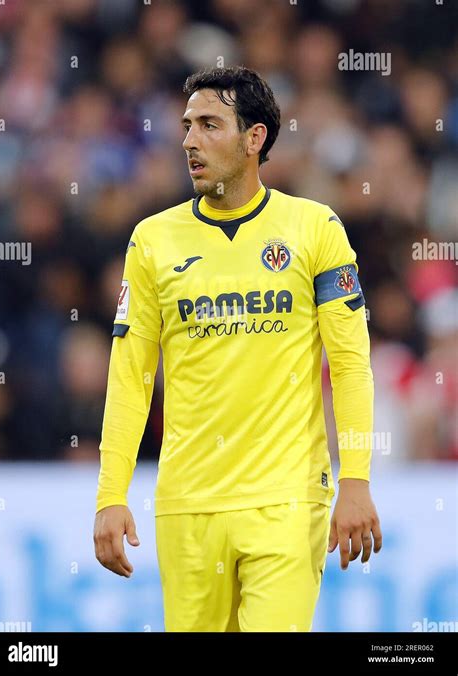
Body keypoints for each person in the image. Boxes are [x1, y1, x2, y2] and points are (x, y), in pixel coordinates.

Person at [93, 66, 382, 632]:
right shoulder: (152, 240)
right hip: (188, 504)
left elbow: (349, 365)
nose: (189, 141)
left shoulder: (314, 228)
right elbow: (130, 376)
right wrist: (111, 494)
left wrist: (357, 481)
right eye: (186, 126)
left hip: (288, 499)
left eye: (209, 125)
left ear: (255, 139)